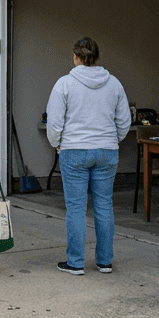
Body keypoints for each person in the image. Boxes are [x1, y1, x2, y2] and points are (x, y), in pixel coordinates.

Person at [45, 36, 130, 276]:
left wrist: (58, 145)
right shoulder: (114, 83)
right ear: (96, 57)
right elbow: (124, 121)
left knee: (76, 208)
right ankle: (104, 262)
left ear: (75, 57)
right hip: (106, 151)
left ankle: (75, 263)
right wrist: (113, 140)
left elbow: (54, 123)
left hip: (74, 151)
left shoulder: (64, 84)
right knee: (104, 205)